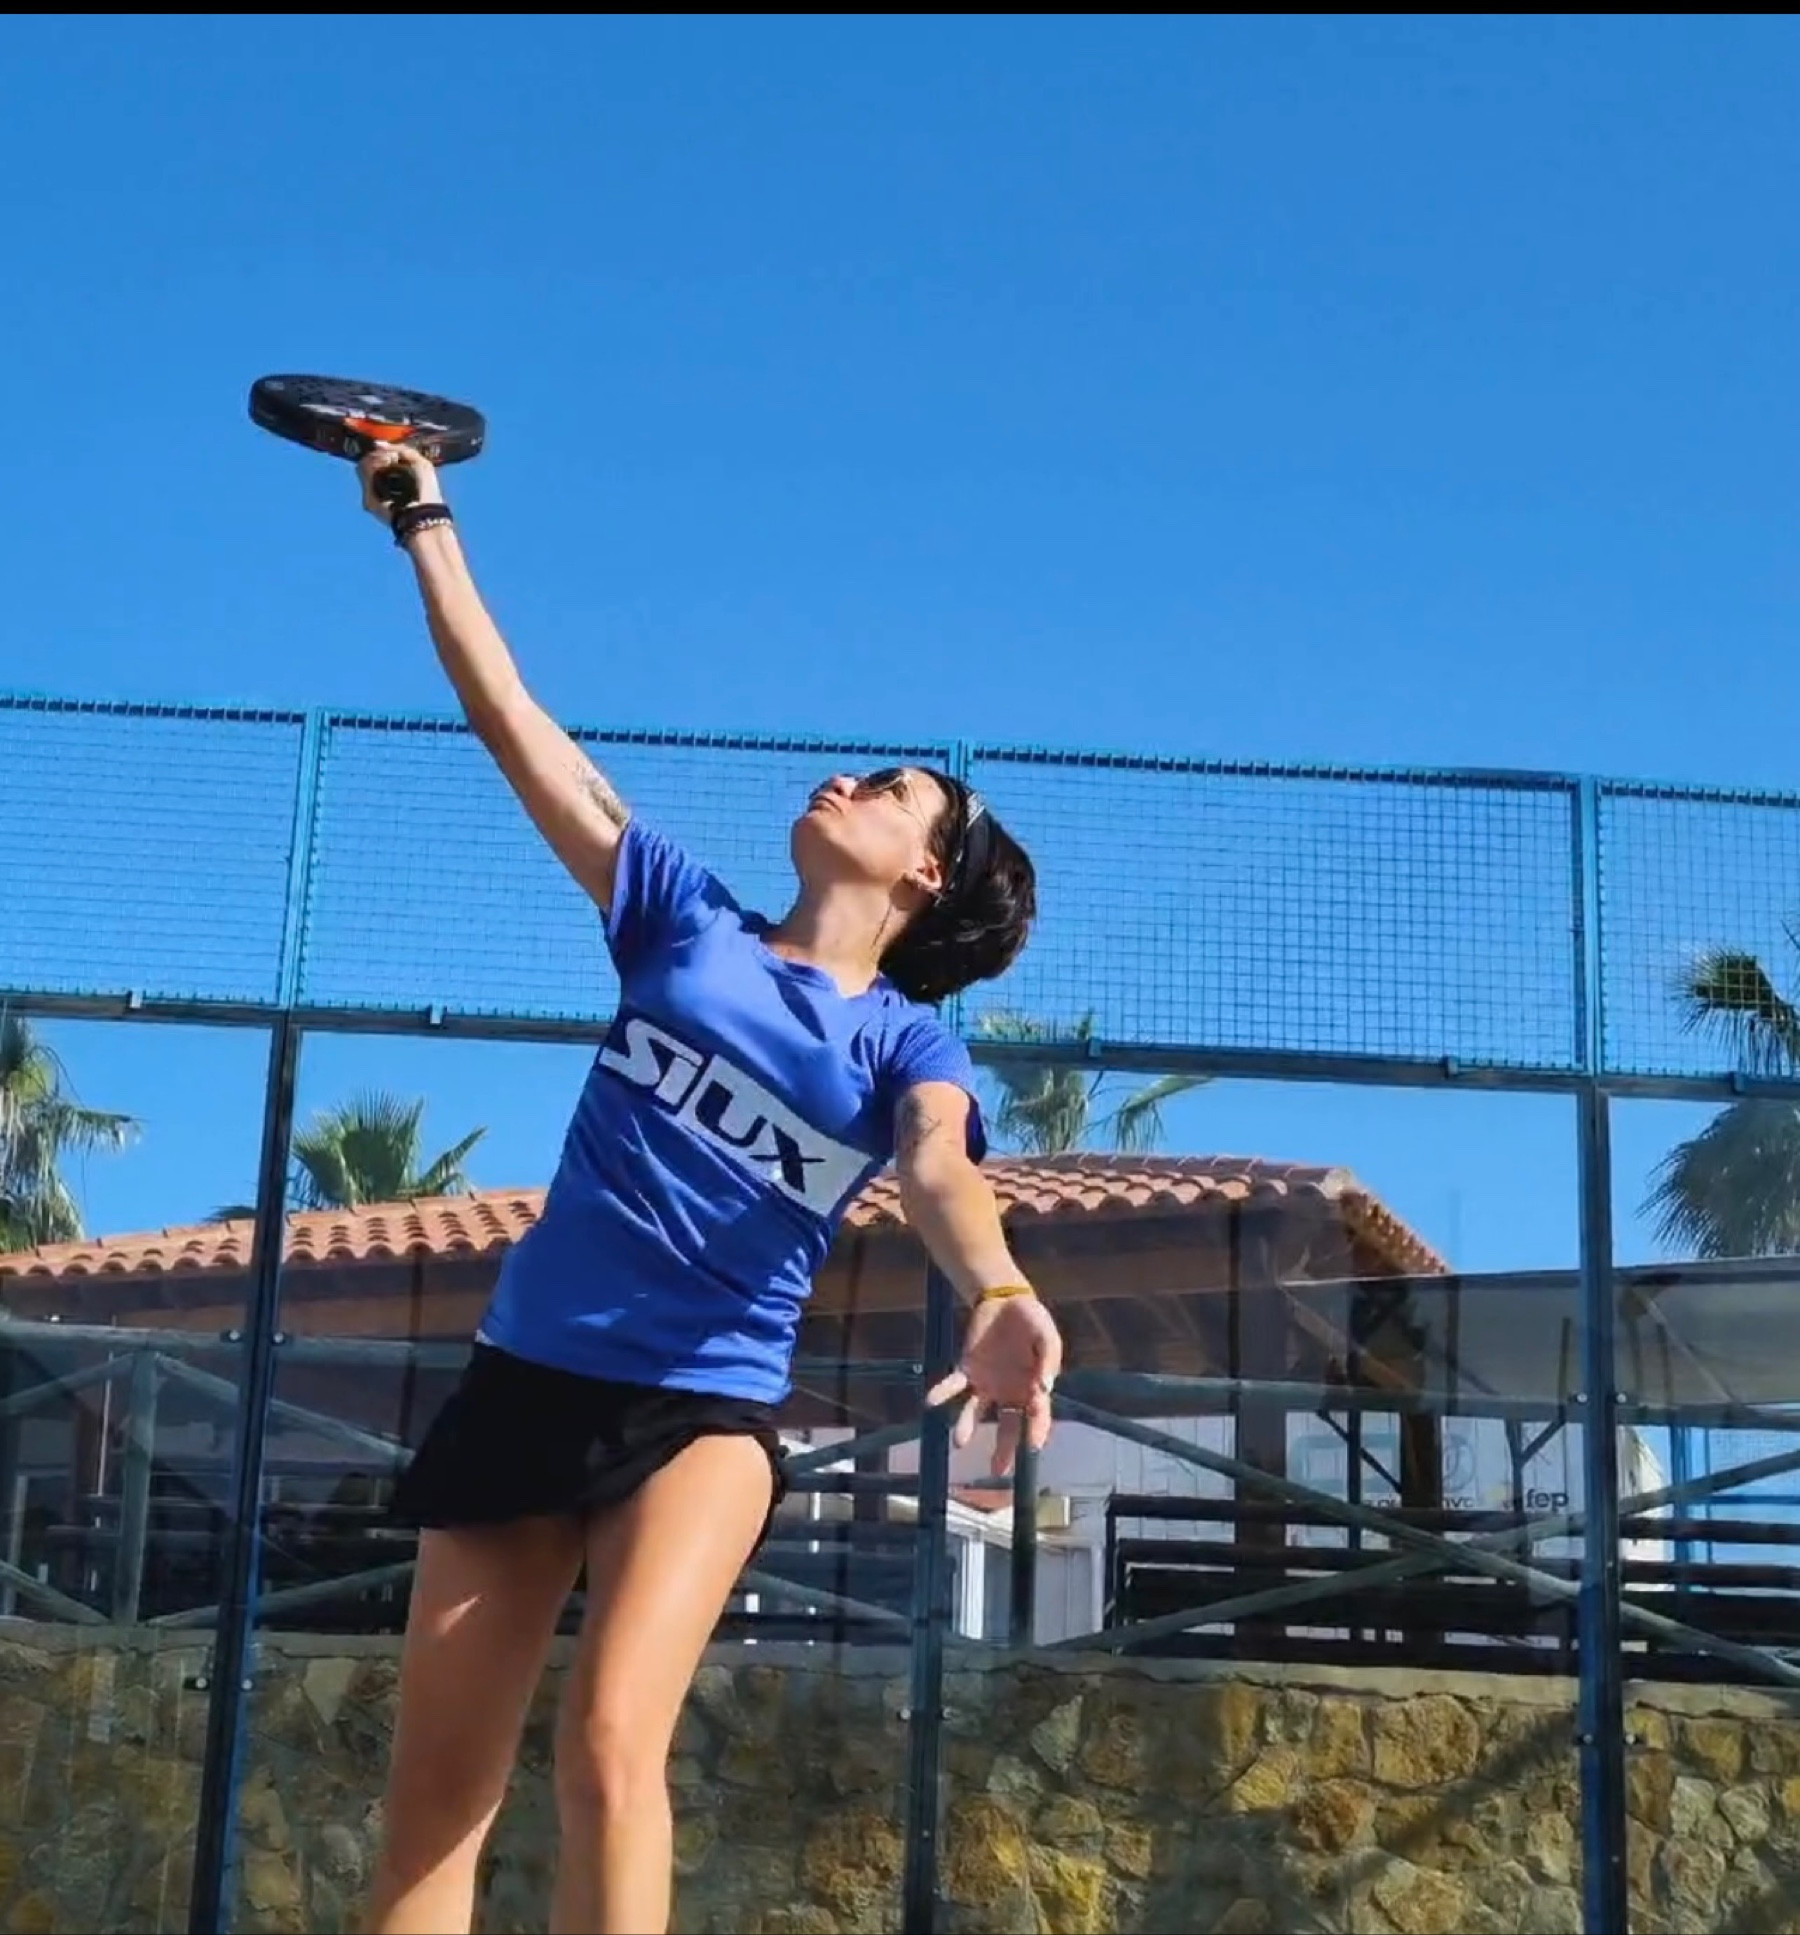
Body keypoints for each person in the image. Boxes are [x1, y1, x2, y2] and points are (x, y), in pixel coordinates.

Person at [352, 445, 1065, 1935]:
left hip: (702, 1414)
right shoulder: (682, 923)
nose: (846, 779)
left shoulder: (906, 1042)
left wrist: (1000, 1290)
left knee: (612, 1747)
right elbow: (512, 717)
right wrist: (426, 521)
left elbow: (936, 1163)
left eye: (890, 790)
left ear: (927, 877)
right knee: (434, 1799)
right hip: (526, 1378)